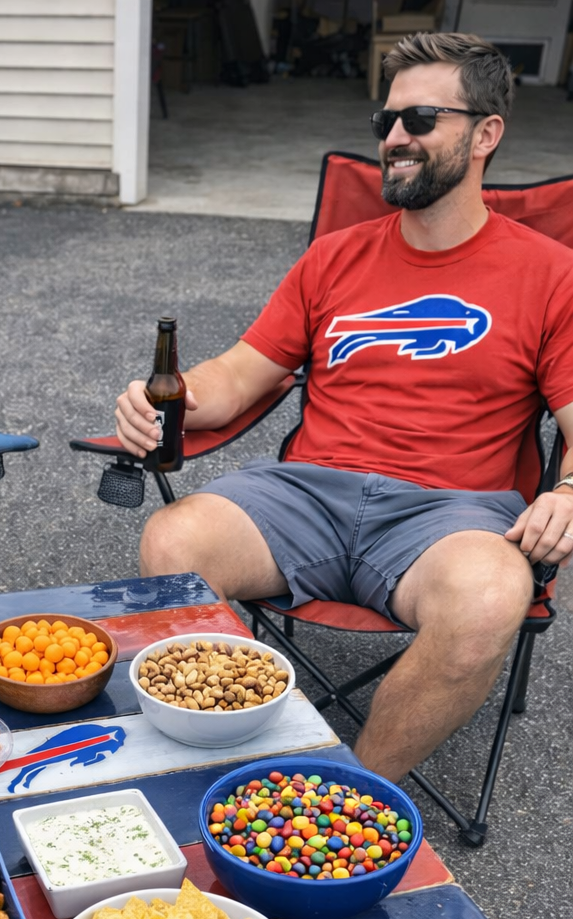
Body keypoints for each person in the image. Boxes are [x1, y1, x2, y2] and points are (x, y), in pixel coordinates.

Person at [114, 32, 573, 786]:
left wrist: (566, 493)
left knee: (492, 592)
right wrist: (170, 399)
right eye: (386, 121)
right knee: (176, 540)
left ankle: (344, 794)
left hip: (450, 515)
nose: (395, 138)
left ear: (486, 133)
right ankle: (227, 765)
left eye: (421, 119)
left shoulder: (552, 275)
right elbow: (238, 375)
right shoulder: (334, 256)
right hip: (308, 495)